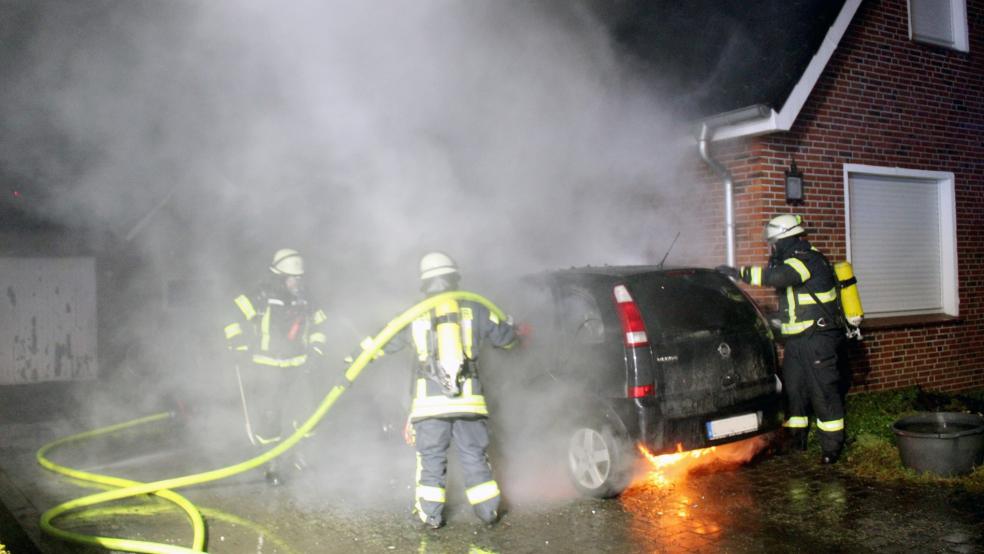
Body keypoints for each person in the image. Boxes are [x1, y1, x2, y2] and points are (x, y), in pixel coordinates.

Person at [379, 251, 518, 529]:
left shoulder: (412, 313)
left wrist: (357, 354)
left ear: (425, 283)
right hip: (469, 403)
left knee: (431, 459)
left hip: (429, 406)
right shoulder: (477, 307)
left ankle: (430, 516)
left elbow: (385, 343)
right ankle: (488, 512)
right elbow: (507, 341)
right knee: (474, 455)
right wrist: (512, 327)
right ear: (454, 278)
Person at [716, 215, 846, 465]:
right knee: (793, 391)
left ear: (785, 239)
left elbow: (778, 277)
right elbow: (793, 305)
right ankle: (796, 441)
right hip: (798, 341)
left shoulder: (806, 260)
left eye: (774, 243)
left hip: (818, 339)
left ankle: (832, 448)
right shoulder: (794, 259)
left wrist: (738, 274)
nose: (772, 248)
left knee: (823, 393)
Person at [223, 248, 329, 485]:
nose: (297, 282)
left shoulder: (306, 298)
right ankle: (272, 463)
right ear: (280, 276)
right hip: (268, 366)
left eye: (300, 278)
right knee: (270, 417)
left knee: (308, 414)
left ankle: (303, 457)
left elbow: (321, 325)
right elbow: (230, 316)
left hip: (299, 365)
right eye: (293, 278)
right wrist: (237, 343)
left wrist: (316, 349)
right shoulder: (260, 295)